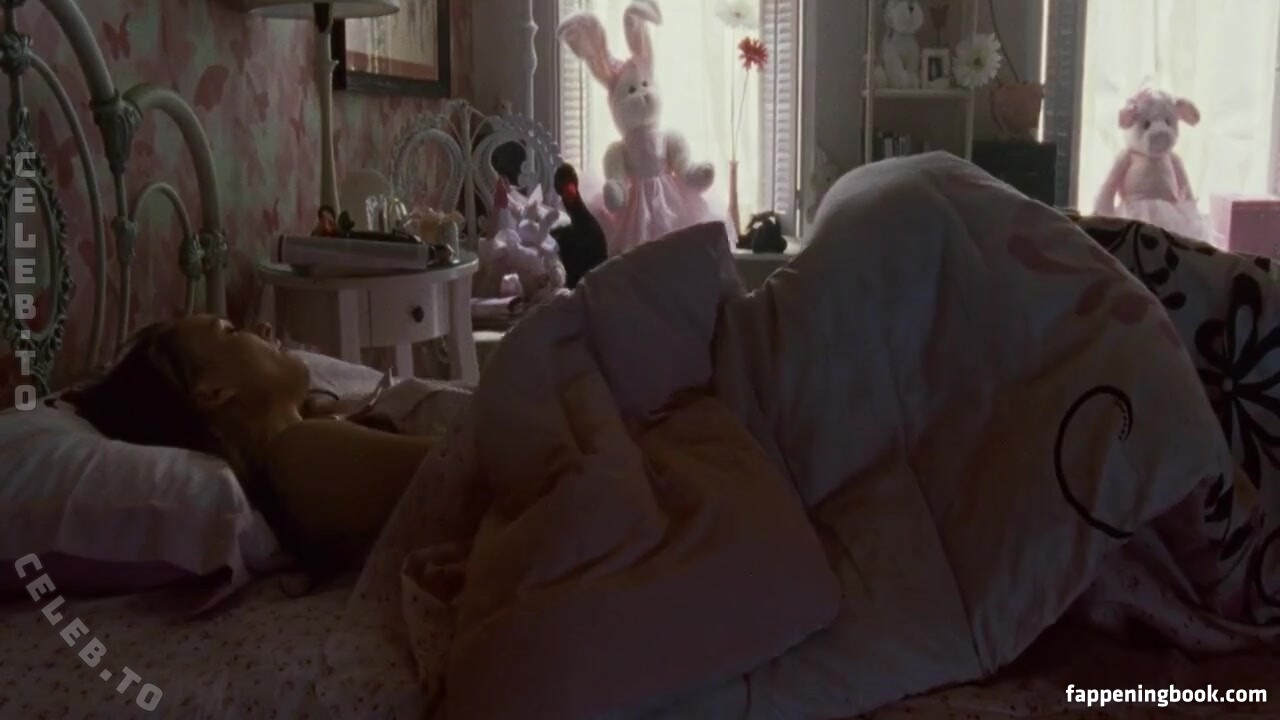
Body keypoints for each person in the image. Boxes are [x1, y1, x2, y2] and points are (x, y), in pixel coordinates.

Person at [62, 314, 435, 583]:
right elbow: (459, 466)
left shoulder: (324, 428)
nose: (264, 327)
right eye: (231, 330)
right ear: (213, 392)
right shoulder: (300, 455)